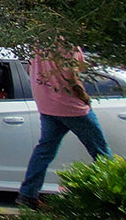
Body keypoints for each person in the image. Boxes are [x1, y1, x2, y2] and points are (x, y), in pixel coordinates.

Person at [17, 46, 112, 208]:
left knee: (44, 151)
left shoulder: (39, 42)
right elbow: (72, 75)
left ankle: (27, 193)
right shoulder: (68, 45)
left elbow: (29, 68)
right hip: (72, 107)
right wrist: (84, 97)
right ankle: (113, 195)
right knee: (100, 151)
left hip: (48, 105)